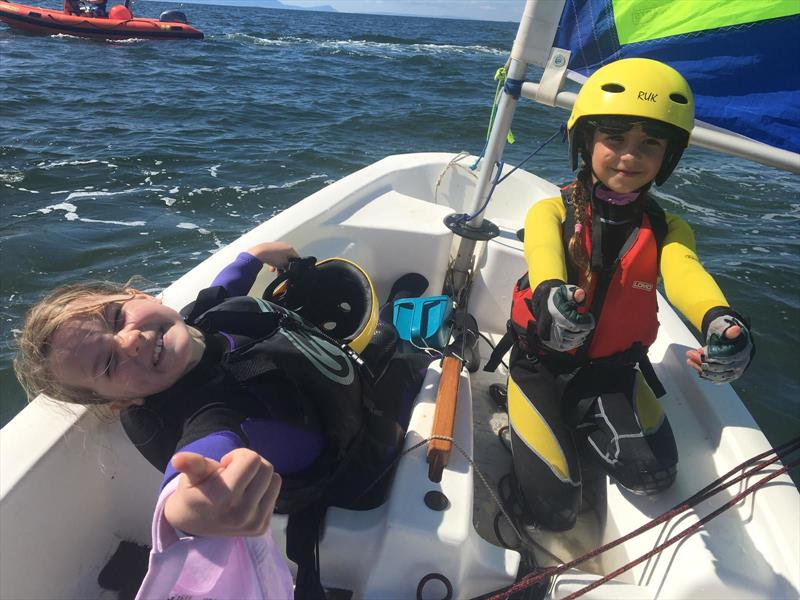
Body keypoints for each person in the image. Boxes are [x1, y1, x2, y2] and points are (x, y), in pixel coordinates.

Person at [15, 240, 430, 595]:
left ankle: (393, 330)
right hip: (356, 459)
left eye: (117, 318)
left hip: (336, 387)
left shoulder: (197, 320)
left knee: (380, 343)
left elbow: (224, 287)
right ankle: (407, 336)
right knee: (406, 357)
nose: (131, 342)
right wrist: (186, 512)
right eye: (107, 365)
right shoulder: (207, 413)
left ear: (140, 296)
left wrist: (254, 256)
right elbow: (198, 461)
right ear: (118, 403)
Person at [499, 58, 755, 531]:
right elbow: (542, 255)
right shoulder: (549, 211)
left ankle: (581, 415)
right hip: (542, 366)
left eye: (649, 145)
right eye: (614, 138)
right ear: (585, 141)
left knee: (655, 478)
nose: (629, 156)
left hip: (610, 372)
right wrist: (552, 295)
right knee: (554, 512)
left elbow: (684, 272)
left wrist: (720, 321)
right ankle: (544, 415)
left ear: (668, 157)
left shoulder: (667, 227)